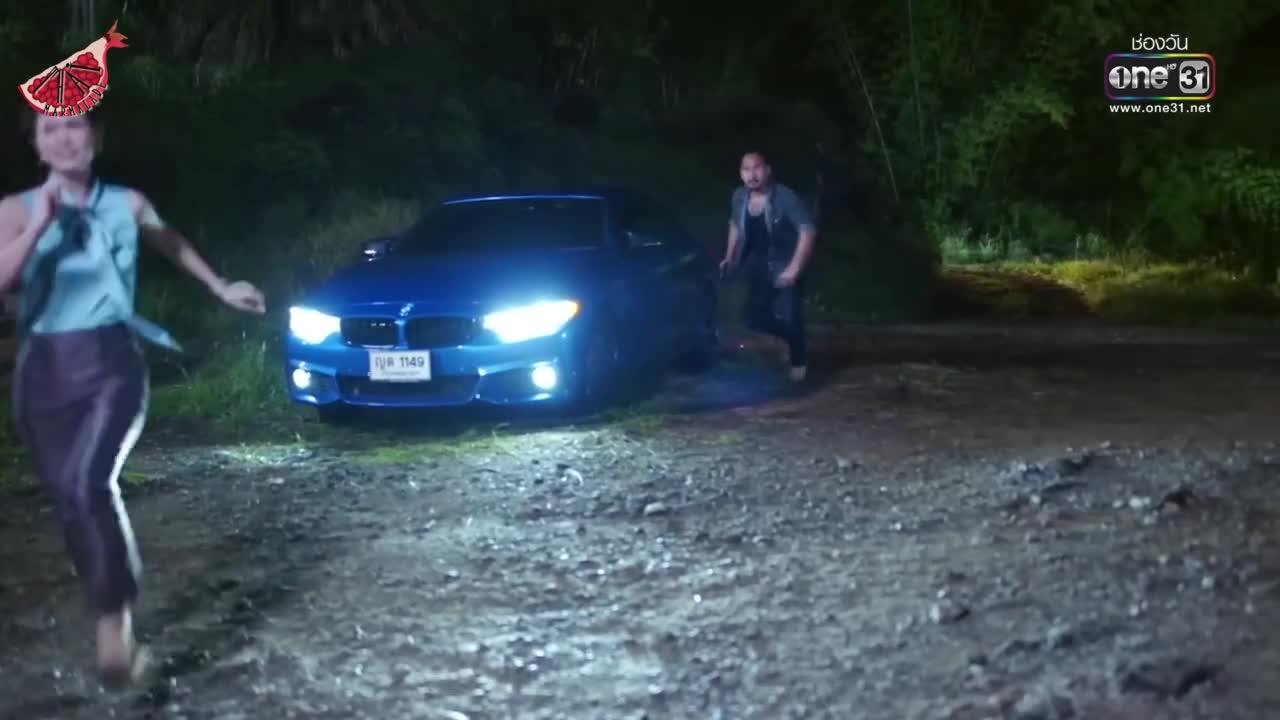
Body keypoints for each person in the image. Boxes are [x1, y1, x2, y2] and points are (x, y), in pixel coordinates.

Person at [0, 109, 266, 688]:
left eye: (75, 125)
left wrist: (221, 286)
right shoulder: (15, 210)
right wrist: (39, 224)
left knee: (89, 484)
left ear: (96, 137)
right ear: (37, 147)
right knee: (70, 501)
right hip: (42, 373)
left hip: (111, 364)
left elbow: (170, 242)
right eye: (50, 129)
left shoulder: (128, 203)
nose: (65, 138)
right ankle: (109, 607)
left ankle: (112, 631)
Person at [719, 151, 818, 382]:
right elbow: (735, 224)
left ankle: (798, 362)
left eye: (757, 168)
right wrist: (729, 257)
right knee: (753, 317)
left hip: (786, 262)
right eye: (746, 169)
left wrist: (794, 269)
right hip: (759, 267)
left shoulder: (785, 197)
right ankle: (793, 339)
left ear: (767, 170)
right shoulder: (739, 196)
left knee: (792, 317)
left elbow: (808, 230)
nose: (752, 175)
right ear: (741, 173)